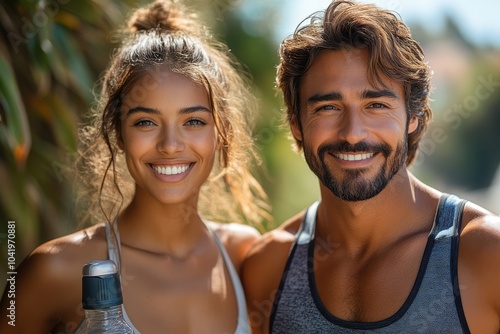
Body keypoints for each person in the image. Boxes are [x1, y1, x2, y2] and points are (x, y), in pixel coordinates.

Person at [0, 0, 270, 333]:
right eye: (145, 122)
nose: (170, 145)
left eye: (194, 121)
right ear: (118, 133)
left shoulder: (245, 256)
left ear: (221, 132)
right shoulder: (54, 269)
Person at [242, 1, 500, 333]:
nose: (352, 133)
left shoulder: (485, 254)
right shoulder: (267, 269)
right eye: (328, 107)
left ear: (413, 117)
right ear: (296, 124)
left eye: (376, 105)